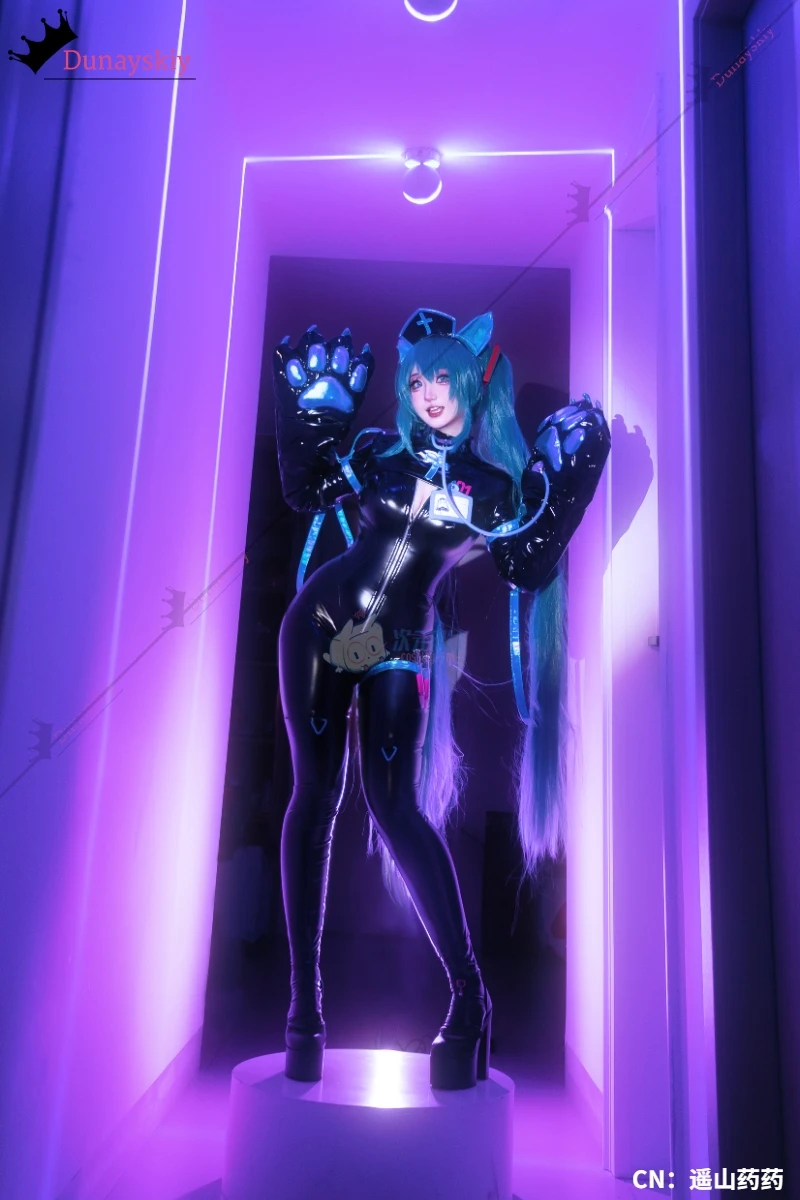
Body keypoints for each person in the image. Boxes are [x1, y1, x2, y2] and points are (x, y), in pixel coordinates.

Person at [273, 308, 610, 1089]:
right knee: (315, 795)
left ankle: (469, 996)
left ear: (474, 382)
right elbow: (306, 488)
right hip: (317, 625)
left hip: (398, 644)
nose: (428, 392)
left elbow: (526, 564)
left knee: (395, 807)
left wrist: (563, 490)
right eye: (418, 378)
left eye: (443, 377)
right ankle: (303, 1009)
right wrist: (307, 419)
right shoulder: (377, 455)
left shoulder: (492, 489)